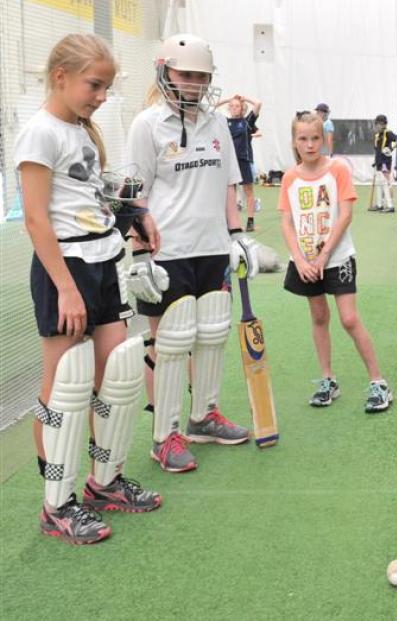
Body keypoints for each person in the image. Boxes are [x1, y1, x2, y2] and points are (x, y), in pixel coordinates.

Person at [16, 33, 162, 544]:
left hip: (104, 260)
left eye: (105, 86)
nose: (101, 96)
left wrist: (133, 216)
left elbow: (91, 197)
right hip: (67, 269)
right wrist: (67, 290)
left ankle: (105, 482)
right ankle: (57, 503)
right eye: (94, 85)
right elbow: (36, 220)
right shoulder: (40, 132)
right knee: (63, 388)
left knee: (115, 378)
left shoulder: (82, 129)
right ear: (61, 77)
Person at [126, 33, 260, 473]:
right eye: (186, 74)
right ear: (165, 72)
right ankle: (164, 437)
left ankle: (203, 417)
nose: (195, 83)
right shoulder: (147, 124)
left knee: (212, 335)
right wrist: (140, 254)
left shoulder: (217, 122)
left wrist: (237, 234)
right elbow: (135, 196)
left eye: (202, 76)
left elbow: (227, 184)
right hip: (167, 252)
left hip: (212, 247)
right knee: (170, 345)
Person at [278, 112, 393, 413]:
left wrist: (325, 254)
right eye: (303, 138)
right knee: (318, 316)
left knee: (349, 319)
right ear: (295, 141)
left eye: (315, 138)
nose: (310, 144)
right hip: (305, 263)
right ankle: (328, 380)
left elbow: (345, 215)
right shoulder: (290, 177)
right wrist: (301, 260)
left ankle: (378, 382)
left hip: (337, 258)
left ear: (324, 139)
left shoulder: (338, 169)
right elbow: (287, 222)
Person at [218, 94, 262, 231]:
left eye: (237, 106)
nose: (233, 108)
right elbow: (211, 108)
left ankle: (250, 221)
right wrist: (228, 99)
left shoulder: (247, 121)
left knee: (248, 191)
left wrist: (244, 98)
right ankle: (233, 223)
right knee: (231, 192)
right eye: (231, 106)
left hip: (243, 160)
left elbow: (258, 103)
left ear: (242, 108)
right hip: (229, 161)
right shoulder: (224, 122)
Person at [369, 114, 396, 213]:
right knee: (379, 184)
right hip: (379, 162)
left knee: (385, 183)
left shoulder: (388, 133)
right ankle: (379, 205)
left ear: (384, 124)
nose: (378, 126)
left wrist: (390, 148)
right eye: (377, 124)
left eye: (380, 124)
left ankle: (390, 206)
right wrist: (375, 161)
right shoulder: (377, 135)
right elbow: (377, 150)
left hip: (385, 162)